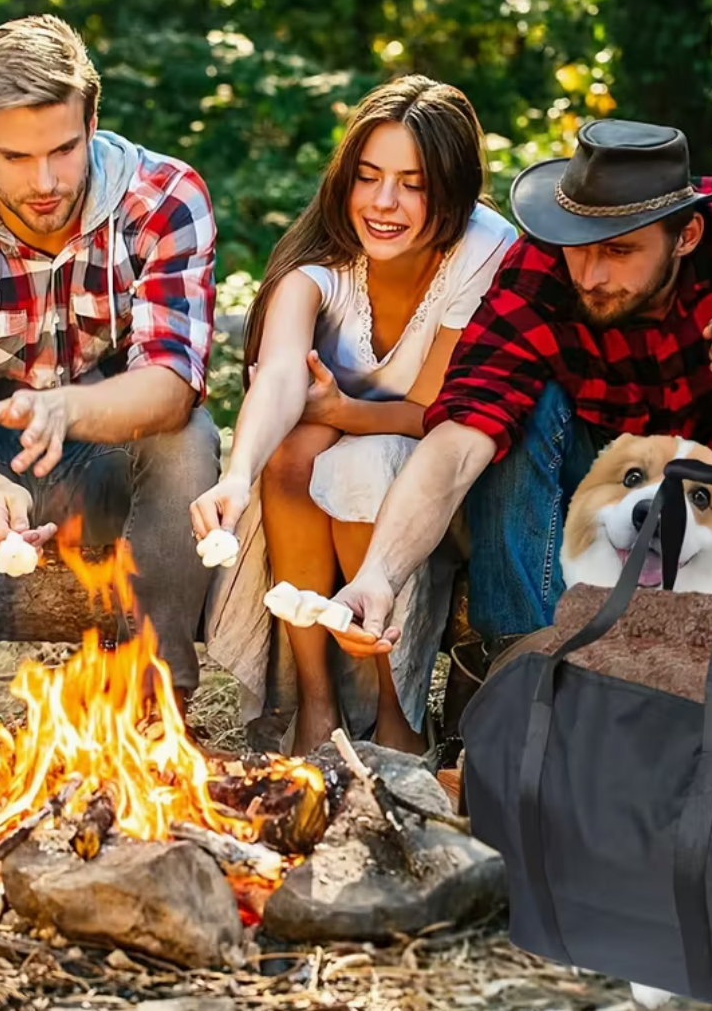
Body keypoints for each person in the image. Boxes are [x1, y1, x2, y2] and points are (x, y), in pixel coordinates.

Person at [325, 118, 712, 665]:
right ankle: (523, 660)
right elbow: (459, 441)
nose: (591, 275)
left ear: (686, 235)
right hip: (593, 497)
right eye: (578, 247)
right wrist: (379, 576)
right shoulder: (538, 271)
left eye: (619, 251)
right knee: (514, 412)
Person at [0, 15, 220, 730]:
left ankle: (156, 709)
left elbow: (171, 383)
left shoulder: (163, 199)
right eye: (16, 156)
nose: (45, 181)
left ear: (93, 122)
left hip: (106, 456)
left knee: (189, 437)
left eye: (65, 149)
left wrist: (65, 409)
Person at [190, 74, 517, 757]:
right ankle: (317, 703)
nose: (383, 202)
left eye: (412, 184)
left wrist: (341, 410)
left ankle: (399, 716)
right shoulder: (319, 261)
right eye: (367, 177)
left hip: (442, 485)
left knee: (355, 460)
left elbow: (434, 414)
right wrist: (236, 475)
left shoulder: (484, 247)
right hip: (318, 480)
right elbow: (281, 375)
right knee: (292, 449)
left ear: (453, 190)